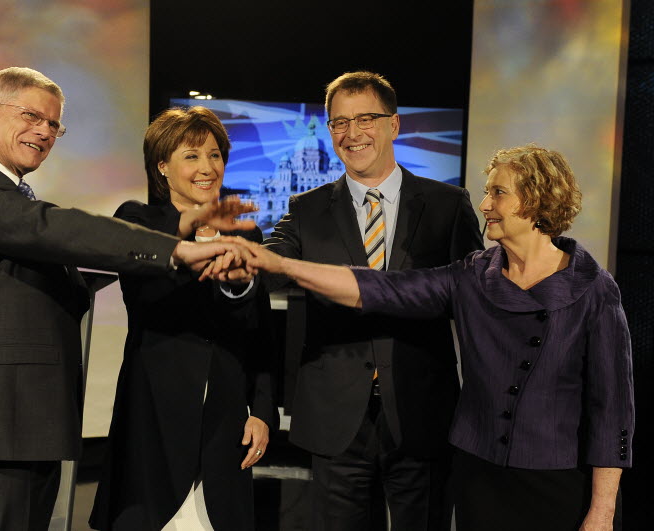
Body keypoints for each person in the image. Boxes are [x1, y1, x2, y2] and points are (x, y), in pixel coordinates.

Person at [0, 67, 255, 531]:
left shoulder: (4, 193)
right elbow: (54, 228)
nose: (44, 132)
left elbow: (56, 272)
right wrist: (173, 239)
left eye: (54, 124)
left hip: (26, 425)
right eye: (32, 116)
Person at [239, 144, 635, 531]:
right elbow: (376, 288)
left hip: (558, 480)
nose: (484, 205)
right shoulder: (471, 276)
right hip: (479, 475)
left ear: (536, 201)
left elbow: (612, 410)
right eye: (486, 192)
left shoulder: (594, 289)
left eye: (498, 193)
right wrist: (281, 264)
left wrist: (602, 511)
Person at [259, 71, 483, 530]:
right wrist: (233, 252)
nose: (351, 133)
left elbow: (473, 300)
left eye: (365, 119)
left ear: (394, 125)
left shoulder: (447, 206)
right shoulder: (305, 209)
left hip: (421, 413)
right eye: (339, 123)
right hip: (336, 420)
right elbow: (269, 267)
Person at [89, 106, 278, 531]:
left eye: (215, 155)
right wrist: (192, 225)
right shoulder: (137, 221)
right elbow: (148, 290)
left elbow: (260, 332)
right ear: (162, 166)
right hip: (153, 421)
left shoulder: (246, 234)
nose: (207, 167)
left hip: (225, 424)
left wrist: (262, 410)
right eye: (191, 156)